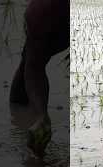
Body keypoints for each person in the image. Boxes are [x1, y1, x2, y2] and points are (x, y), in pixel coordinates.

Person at [10, 0, 70, 158]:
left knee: (32, 61)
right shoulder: (43, 11)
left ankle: (28, 117)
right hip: (50, 14)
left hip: (50, 14)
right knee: (31, 61)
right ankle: (25, 117)